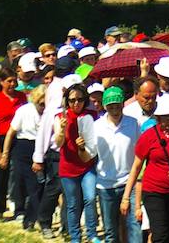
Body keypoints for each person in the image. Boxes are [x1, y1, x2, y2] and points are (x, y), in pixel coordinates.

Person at [123, 92, 169, 243]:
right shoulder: (149, 136)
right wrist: (126, 197)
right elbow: (136, 167)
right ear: (158, 117)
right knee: (160, 234)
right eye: (165, 117)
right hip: (153, 191)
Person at [94, 85, 142, 243]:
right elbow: (88, 155)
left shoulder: (133, 123)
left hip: (130, 182)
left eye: (117, 104)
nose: (114, 108)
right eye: (110, 105)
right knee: (111, 231)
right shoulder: (97, 127)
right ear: (105, 106)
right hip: (106, 185)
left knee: (134, 226)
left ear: (123, 104)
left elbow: (140, 153)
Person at [58, 83, 101, 243]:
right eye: (72, 100)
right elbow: (58, 142)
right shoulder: (61, 117)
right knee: (73, 204)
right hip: (68, 168)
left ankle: (92, 234)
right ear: (67, 101)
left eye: (80, 99)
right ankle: (75, 237)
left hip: (87, 165)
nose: (76, 103)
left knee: (90, 199)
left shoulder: (91, 115)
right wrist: (62, 130)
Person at [0, 68, 27, 220]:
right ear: (1, 82)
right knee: (2, 175)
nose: (12, 84)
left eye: (14, 80)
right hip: (1, 138)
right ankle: (0, 207)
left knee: (18, 173)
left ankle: (19, 208)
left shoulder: (21, 97)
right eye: (9, 81)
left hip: (19, 138)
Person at [9, 86, 46, 231]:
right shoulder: (24, 110)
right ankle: (25, 214)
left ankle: (33, 217)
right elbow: (11, 132)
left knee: (37, 186)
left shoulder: (48, 113)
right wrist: (5, 153)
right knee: (23, 182)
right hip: (23, 147)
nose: (43, 107)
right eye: (41, 104)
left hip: (40, 147)